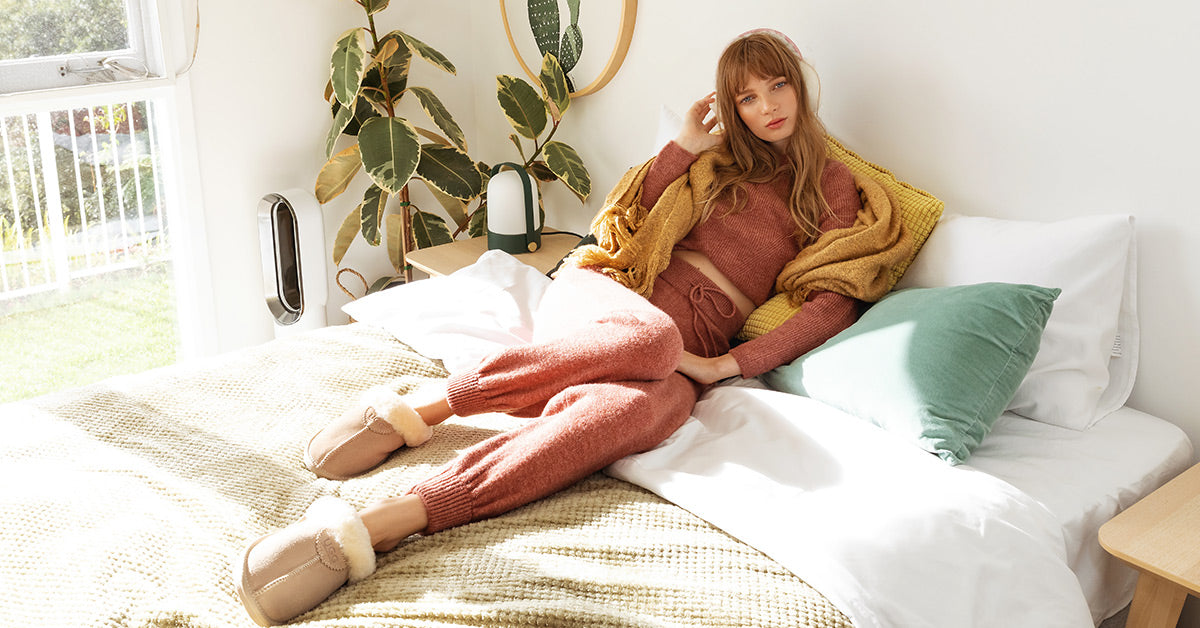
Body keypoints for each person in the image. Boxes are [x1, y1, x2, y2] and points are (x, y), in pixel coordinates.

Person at [235, 29, 909, 626]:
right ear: (728, 108)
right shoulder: (714, 159)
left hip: (692, 347)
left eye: (776, 85)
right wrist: (682, 147)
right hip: (613, 292)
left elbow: (832, 303)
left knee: (636, 413)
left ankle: (385, 523)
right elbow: (632, 214)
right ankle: (425, 409)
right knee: (651, 341)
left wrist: (726, 367)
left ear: (799, 82)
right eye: (747, 98)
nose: (767, 107)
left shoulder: (833, 187)